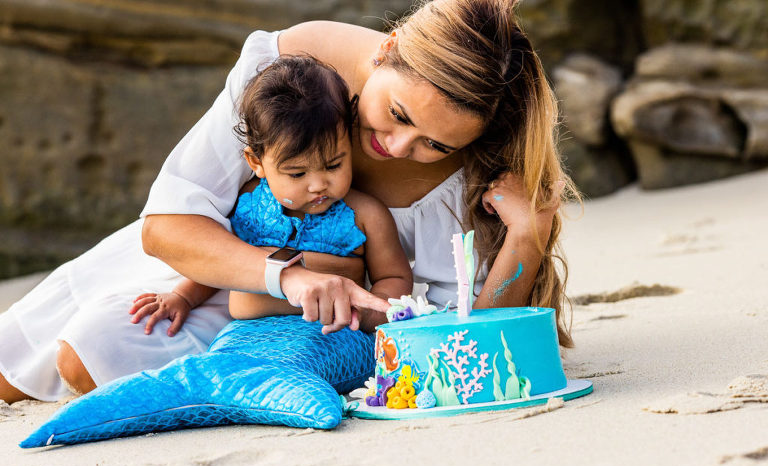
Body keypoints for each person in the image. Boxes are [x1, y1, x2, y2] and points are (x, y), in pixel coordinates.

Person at [0, 0, 578, 405]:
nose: (399, 147)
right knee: (13, 368)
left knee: (86, 354)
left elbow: (473, 342)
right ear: (388, 50)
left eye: (436, 144)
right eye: (398, 115)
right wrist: (288, 279)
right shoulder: (294, 73)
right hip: (205, 266)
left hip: (313, 333)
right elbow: (170, 228)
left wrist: (525, 237)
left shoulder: (474, 178)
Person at [129, 55, 412, 337]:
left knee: (286, 380)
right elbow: (223, 264)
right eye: (297, 174)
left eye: (333, 165)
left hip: (331, 338)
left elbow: (394, 278)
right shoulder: (249, 205)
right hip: (244, 335)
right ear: (257, 163)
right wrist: (183, 297)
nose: (317, 185)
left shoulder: (365, 215)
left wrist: (366, 313)